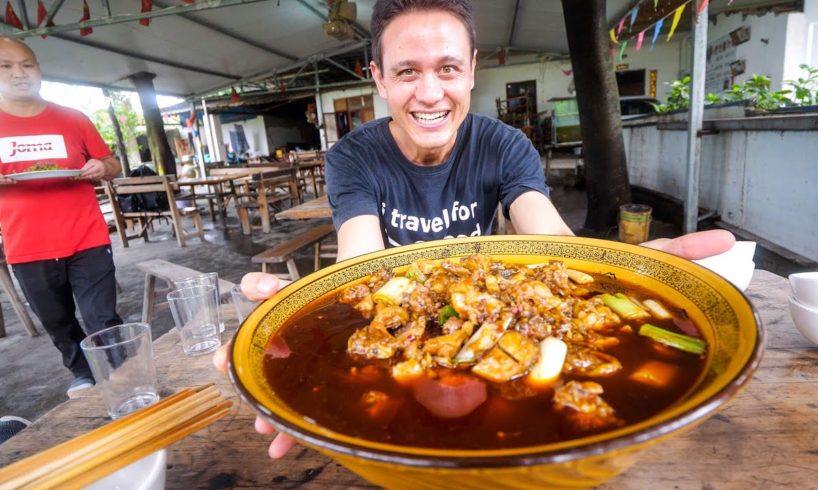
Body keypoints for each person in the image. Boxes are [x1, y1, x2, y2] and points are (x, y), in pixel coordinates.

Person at [213, 0, 736, 458]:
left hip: (499, 310)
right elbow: (360, 263)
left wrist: (624, 271)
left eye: (447, 69)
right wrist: (294, 312)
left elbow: (550, 242)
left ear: (471, 72)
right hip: (419, 327)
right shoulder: (355, 156)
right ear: (377, 78)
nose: (430, 93)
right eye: (406, 73)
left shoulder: (503, 145)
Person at [0, 37, 124, 397]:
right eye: (5, 66)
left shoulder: (73, 118)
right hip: (27, 243)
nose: (19, 73)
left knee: (103, 317)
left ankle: (121, 373)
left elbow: (113, 164)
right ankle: (82, 372)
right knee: (58, 321)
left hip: (86, 235)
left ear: (39, 70)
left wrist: (103, 166)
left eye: (27, 64)